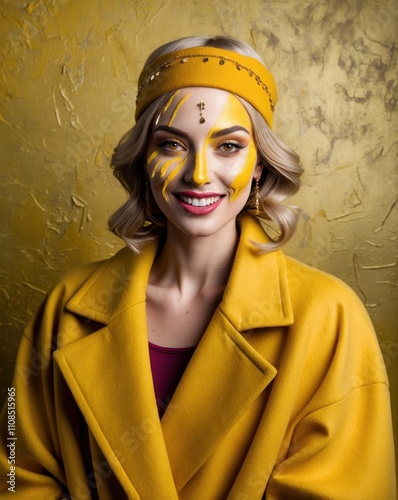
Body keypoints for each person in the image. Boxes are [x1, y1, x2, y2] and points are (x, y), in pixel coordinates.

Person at [0, 35, 396, 499]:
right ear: (143, 161)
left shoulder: (331, 317)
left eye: (228, 146)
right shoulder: (65, 306)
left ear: (260, 165)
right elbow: (13, 474)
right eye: (171, 144)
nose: (200, 174)